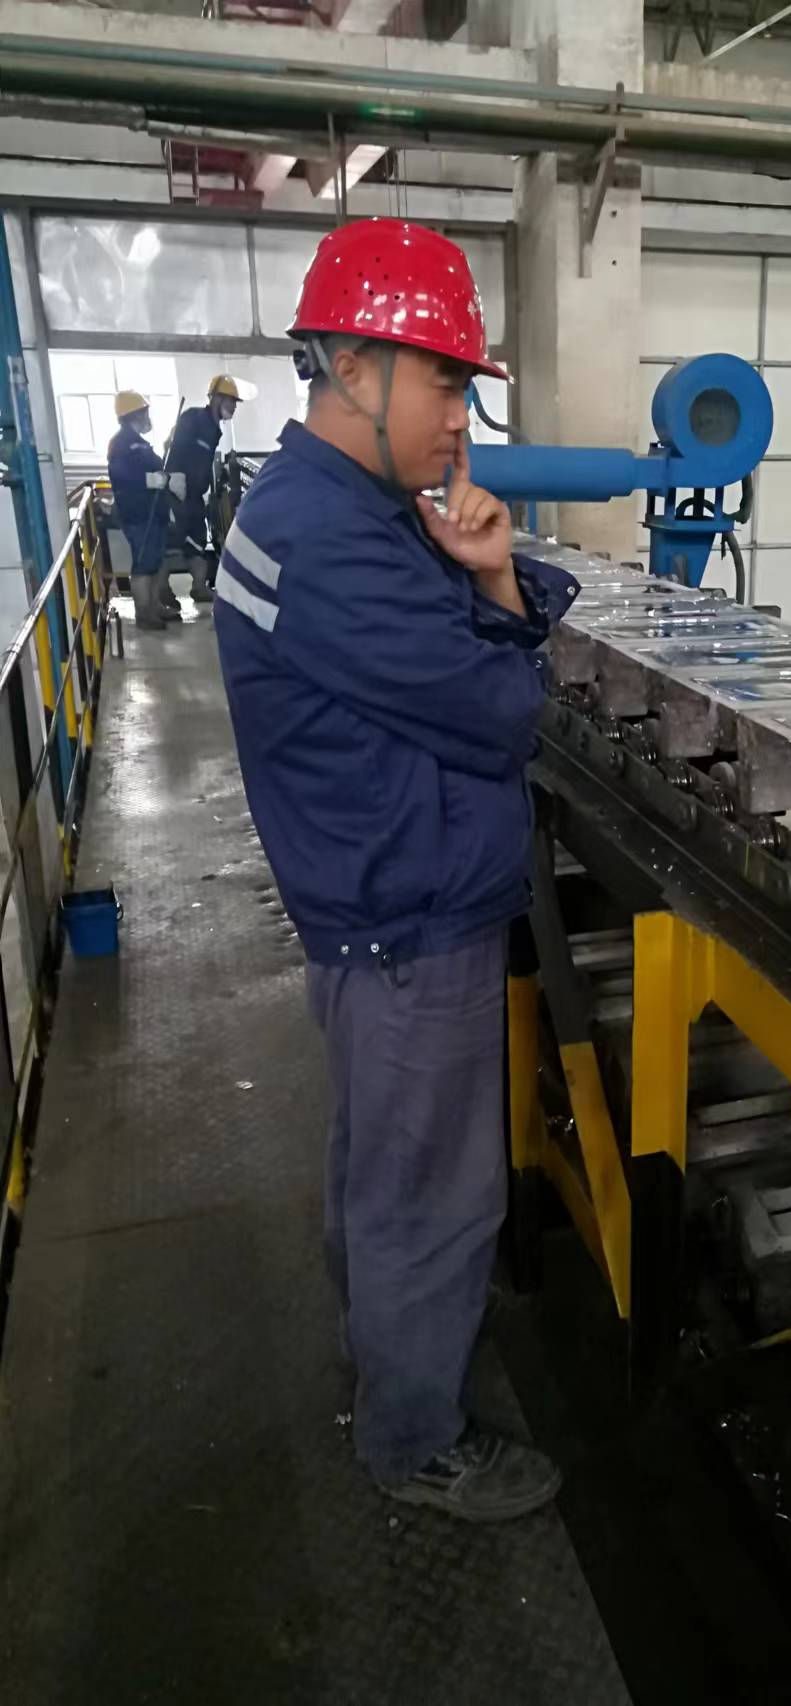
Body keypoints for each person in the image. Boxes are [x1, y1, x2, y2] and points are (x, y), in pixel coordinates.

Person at [215, 219, 579, 1522]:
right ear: (354, 367)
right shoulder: (333, 541)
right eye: (443, 381)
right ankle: (415, 1438)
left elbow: (501, 616)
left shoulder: (321, 507)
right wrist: (498, 595)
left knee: (378, 1169)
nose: (460, 418)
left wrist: (495, 579)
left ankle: (381, 1359)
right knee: (433, 1194)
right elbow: (502, 710)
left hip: (372, 912)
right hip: (410, 921)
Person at [106, 390, 186, 633]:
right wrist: (151, 480)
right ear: (133, 414)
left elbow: (153, 467)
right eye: (144, 411)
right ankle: (144, 614)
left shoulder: (138, 442)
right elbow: (122, 476)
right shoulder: (121, 443)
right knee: (143, 564)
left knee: (154, 563)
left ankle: (155, 607)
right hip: (138, 514)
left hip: (153, 511)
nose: (147, 416)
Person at [169, 375, 242, 603]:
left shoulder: (214, 429)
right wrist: (174, 479)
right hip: (177, 493)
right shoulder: (192, 419)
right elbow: (175, 449)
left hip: (195, 495)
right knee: (169, 543)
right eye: (231, 401)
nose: (234, 407)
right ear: (217, 398)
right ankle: (162, 593)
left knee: (198, 541)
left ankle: (199, 588)